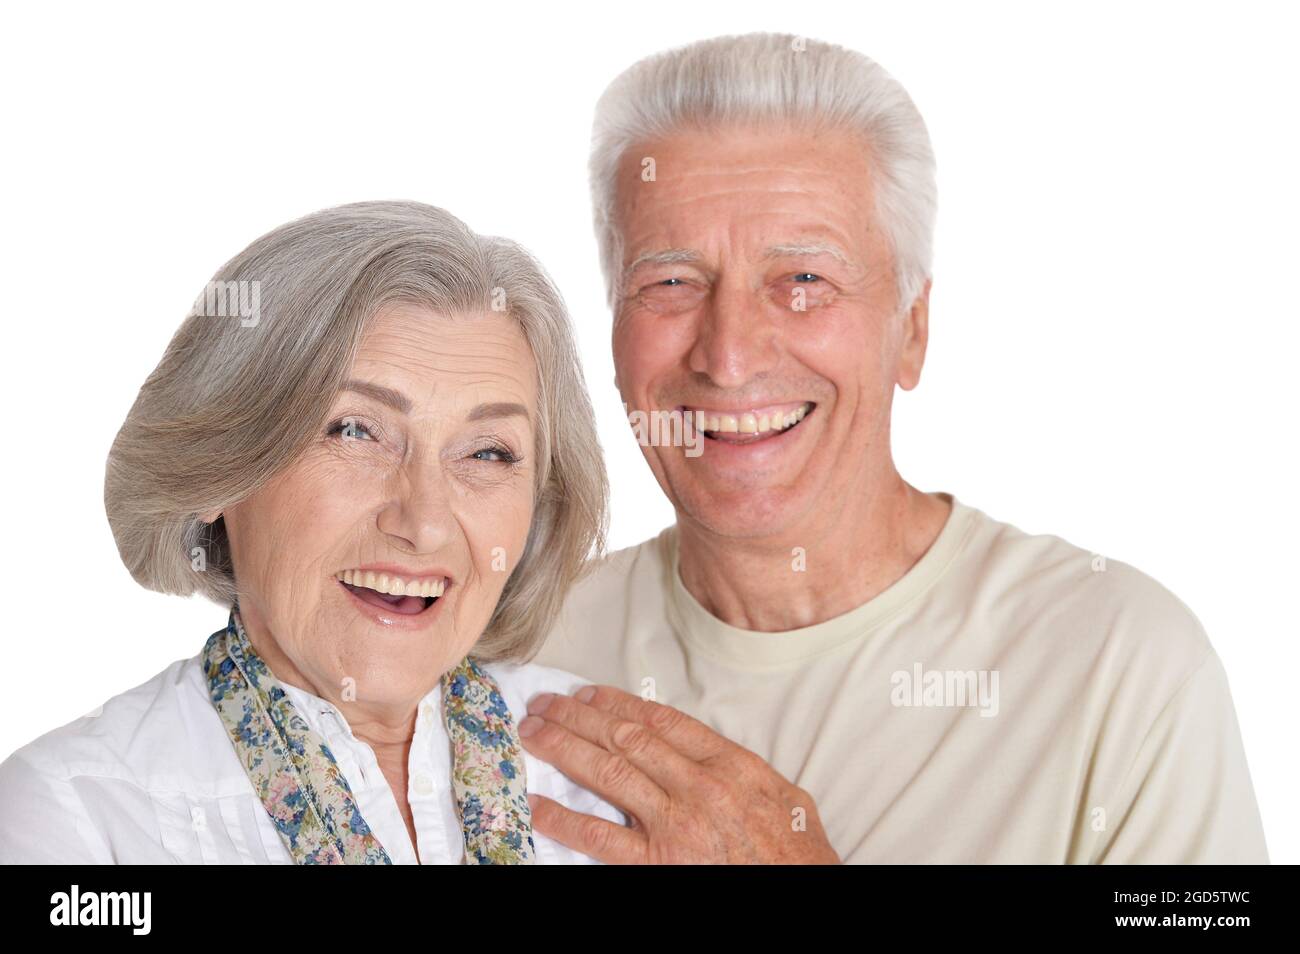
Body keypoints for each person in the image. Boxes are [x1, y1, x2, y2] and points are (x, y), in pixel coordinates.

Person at [518, 33, 1270, 864]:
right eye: (670, 282)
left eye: (804, 280)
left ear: (911, 331)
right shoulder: (512, 648)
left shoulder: (1126, 669)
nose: (729, 356)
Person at [0, 200, 622, 864]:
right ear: (220, 472)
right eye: (354, 431)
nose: (425, 523)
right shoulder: (76, 815)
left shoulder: (623, 780)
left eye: (488, 452)